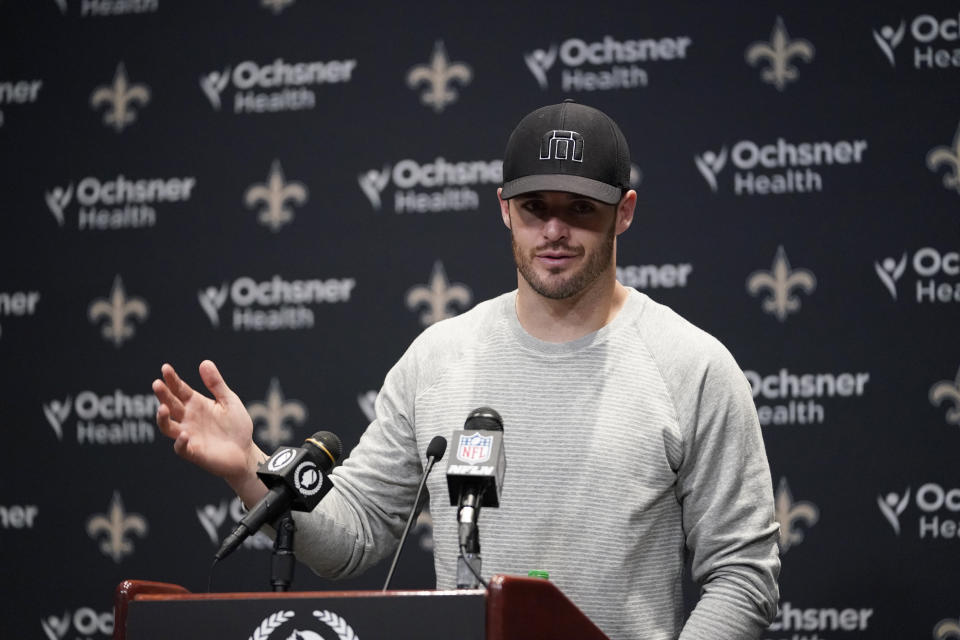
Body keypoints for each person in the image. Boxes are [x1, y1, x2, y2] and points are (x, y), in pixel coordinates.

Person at [153, 100, 780, 640]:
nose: (555, 230)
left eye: (581, 208)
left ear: (625, 211)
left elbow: (743, 575)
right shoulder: (438, 358)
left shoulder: (692, 365)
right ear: (504, 208)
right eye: (535, 207)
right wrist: (249, 468)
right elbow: (356, 536)